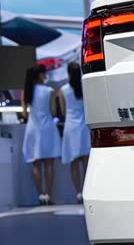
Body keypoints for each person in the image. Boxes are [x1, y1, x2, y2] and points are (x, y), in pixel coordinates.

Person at [22, 64, 61, 205]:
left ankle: (40, 195)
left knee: (35, 163)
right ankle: (48, 195)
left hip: (33, 128)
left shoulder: (27, 91)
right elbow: (54, 112)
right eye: (45, 73)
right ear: (40, 75)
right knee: (49, 163)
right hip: (48, 128)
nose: (46, 75)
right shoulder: (50, 91)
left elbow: (24, 113)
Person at [59, 62, 91, 204]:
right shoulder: (85, 87)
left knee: (74, 162)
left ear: (68, 73)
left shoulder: (63, 90)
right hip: (84, 125)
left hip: (71, 127)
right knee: (86, 161)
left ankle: (78, 192)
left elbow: (63, 111)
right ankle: (86, 190)